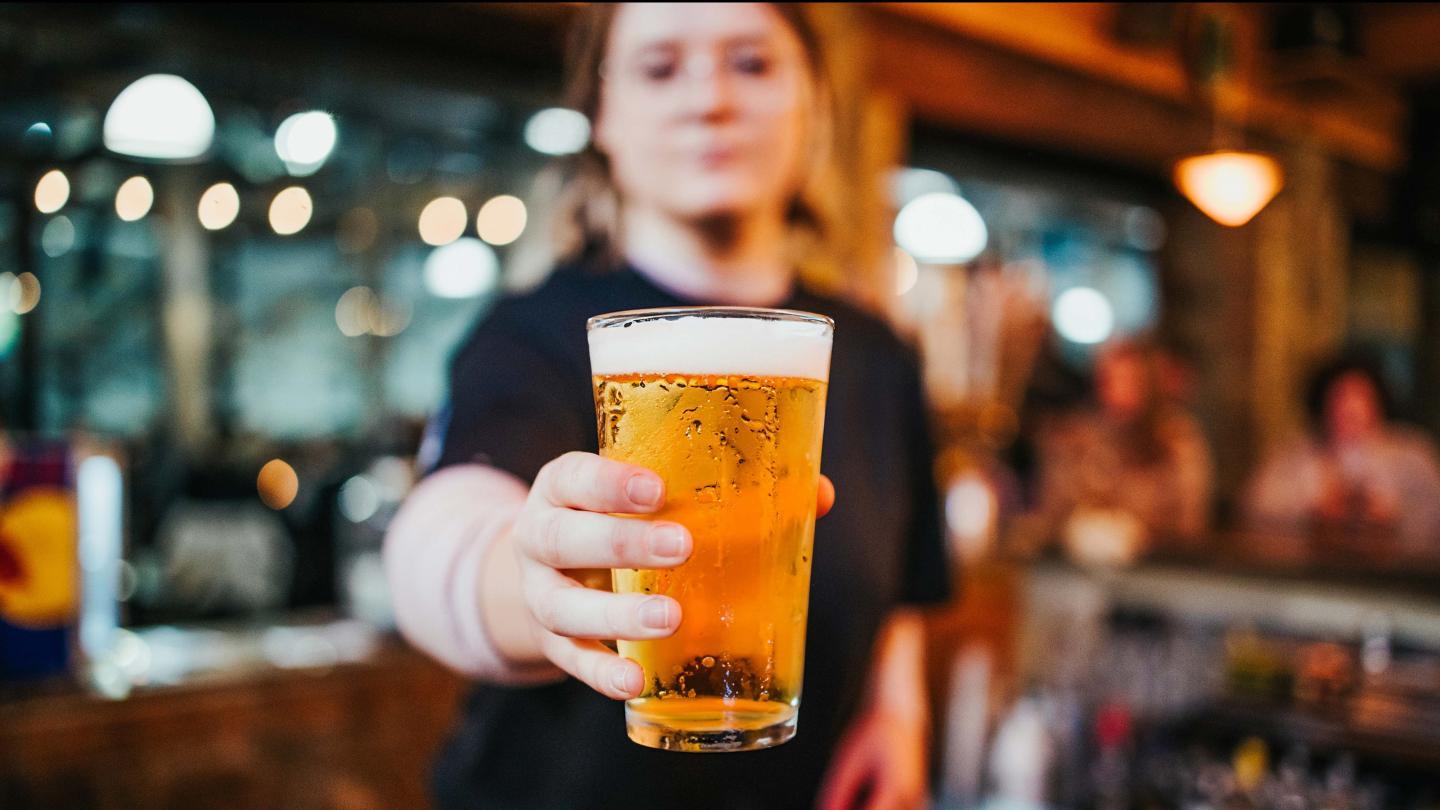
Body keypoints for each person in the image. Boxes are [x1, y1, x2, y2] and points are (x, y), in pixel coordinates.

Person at [383, 5, 950, 809]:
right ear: (601, 115)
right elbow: (442, 536)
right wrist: (530, 582)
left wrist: (899, 713)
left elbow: (903, 589)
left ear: (814, 102)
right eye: (658, 68)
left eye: (752, 63)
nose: (708, 98)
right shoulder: (532, 335)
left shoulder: (874, 354)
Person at [1031, 339, 1213, 560]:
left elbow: (1190, 522)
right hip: (1080, 568)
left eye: (1129, 381)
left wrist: (1137, 531)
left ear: (1148, 384)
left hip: (1157, 569)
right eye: (1109, 381)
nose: (1117, 393)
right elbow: (1052, 513)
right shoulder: (1075, 438)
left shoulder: (1175, 440)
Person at [1244, 354, 1440, 558]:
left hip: (1398, 581)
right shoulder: (1293, 455)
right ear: (1323, 403)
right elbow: (1256, 509)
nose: (1350, 408)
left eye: (1360, 397)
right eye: (1339, 397)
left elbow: (1434, 517)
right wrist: (1314, 510)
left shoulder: (1411, 456)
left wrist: (1391, 514)